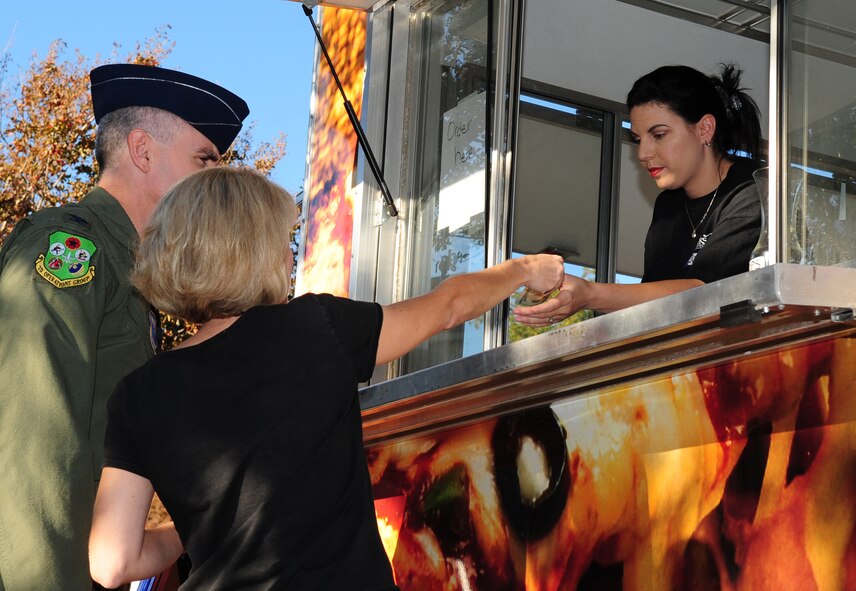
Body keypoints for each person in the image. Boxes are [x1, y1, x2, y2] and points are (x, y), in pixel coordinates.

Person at [87, 167, 565, 589]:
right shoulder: (317, 327)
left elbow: (111, 562)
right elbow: (448, 307)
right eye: (283, 242)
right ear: (252, 250)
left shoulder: (138, 393)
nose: (289, 257)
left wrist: (184, 536)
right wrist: (523, 268)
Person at [0, 64, 248, 589]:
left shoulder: (127, 270)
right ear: (142, 151)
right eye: (204, 160)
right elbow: (32, 450)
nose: (213, 182)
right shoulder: (72, 251)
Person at [514, 63, 762, 327]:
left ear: (705, 129)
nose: (643, 154)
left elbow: (703, 292)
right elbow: (654, 303)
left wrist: (590, 294)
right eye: (637, 139)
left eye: (659, 135)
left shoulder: (754, 189)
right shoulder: (669, 206)